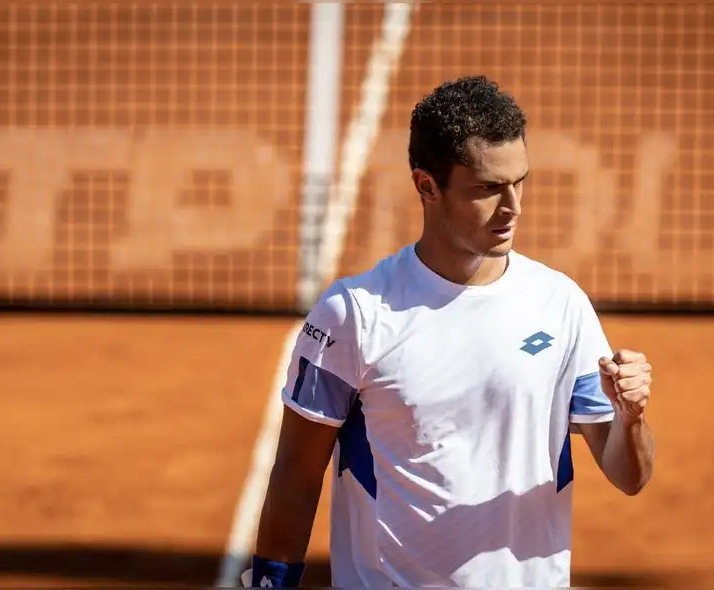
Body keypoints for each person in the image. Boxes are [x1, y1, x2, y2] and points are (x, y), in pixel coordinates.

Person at [243, 75, 655, 588]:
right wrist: (270, 582)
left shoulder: (561, 304)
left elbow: (629, 476)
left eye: (519, 182)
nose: (513, 208)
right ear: (426, 186)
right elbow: (296, 476)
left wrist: (631, 417)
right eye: (487, 189)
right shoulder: (355, 314)